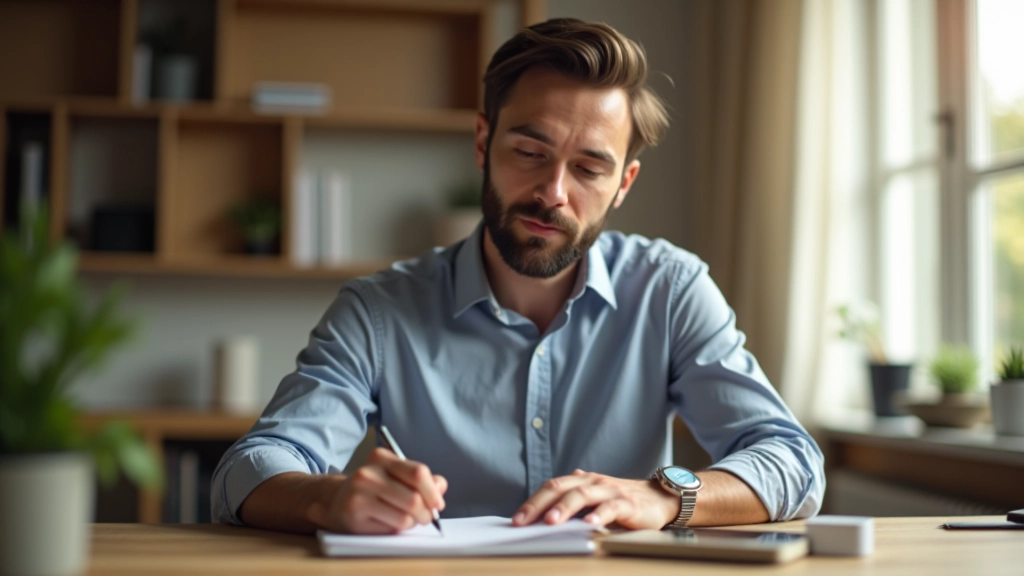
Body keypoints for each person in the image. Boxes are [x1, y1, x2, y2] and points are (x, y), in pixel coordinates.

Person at [212, 18, 824, 535]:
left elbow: (794, 461)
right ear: (484, 143)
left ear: (622, 187)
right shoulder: (379, 311)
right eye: (530, 154)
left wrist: (663, 497)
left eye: (588, 168)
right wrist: (329, 498)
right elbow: (249, 468)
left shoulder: (670, 291)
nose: (552, 193)